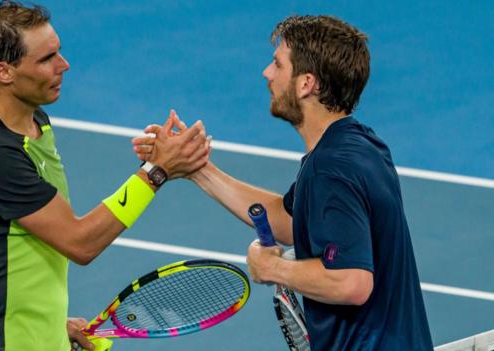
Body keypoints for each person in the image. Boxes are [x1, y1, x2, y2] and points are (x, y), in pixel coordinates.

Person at [133, 15, 433, 350]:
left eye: (278, 64)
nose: (267, 73)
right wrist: (195, 168)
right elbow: (290, 221)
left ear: (307, 83)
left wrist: (273, 268)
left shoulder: (329, 169)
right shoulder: (359, 144)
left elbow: (352, 282)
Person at [0, 2, 210, 351]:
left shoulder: (36, 123)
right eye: (46, 59)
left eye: (59, 52)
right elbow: (80, 242)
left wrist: (53, 325)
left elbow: (26, 252)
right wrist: (155, 172)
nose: (63, 65)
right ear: (4, 72)